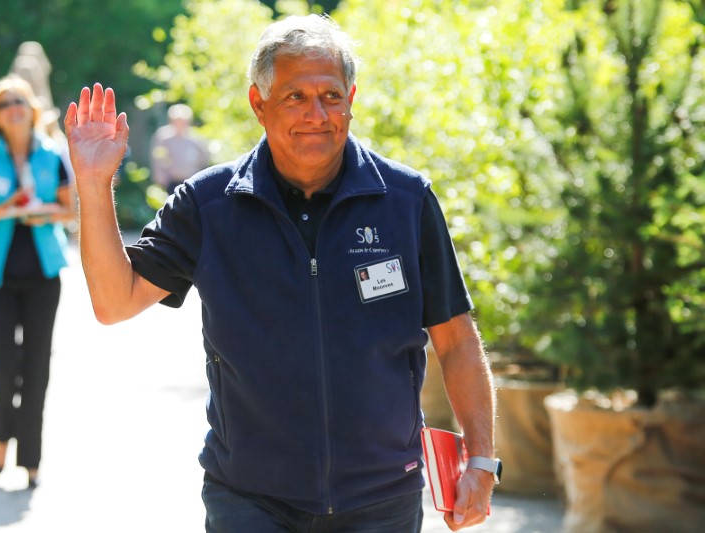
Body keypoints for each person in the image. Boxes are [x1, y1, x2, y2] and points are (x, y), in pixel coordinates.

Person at [65, 14, 496, 532]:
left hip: (381, 498)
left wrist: (481, 459)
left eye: (331, 96)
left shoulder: (406, 201)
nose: (317, 114)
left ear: (351, 100)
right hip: (249, 500)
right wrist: (93, 183)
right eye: (295, 97)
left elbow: (456, 340)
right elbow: (115, 302)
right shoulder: (208, 206)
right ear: (258, 104)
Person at [0, 75, 75, 489]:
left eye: (20, 101)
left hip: (43, 276)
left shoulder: (52, 157)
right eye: (5, 102)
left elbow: (69, 212)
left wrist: (41, 211)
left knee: (37, 365)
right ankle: (0, 437)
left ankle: (30, 457)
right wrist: (7, 208)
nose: (13, 108)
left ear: (32, 110)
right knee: (3, 364)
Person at [149, 103, 210, 195]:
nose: (180, 124)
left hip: (191, 180)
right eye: (177, 121)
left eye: (183, 121)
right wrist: (160, 177)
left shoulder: (195, 138)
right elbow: (158, 158)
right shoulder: (164, 137)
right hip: (171, 182)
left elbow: (204, 158)